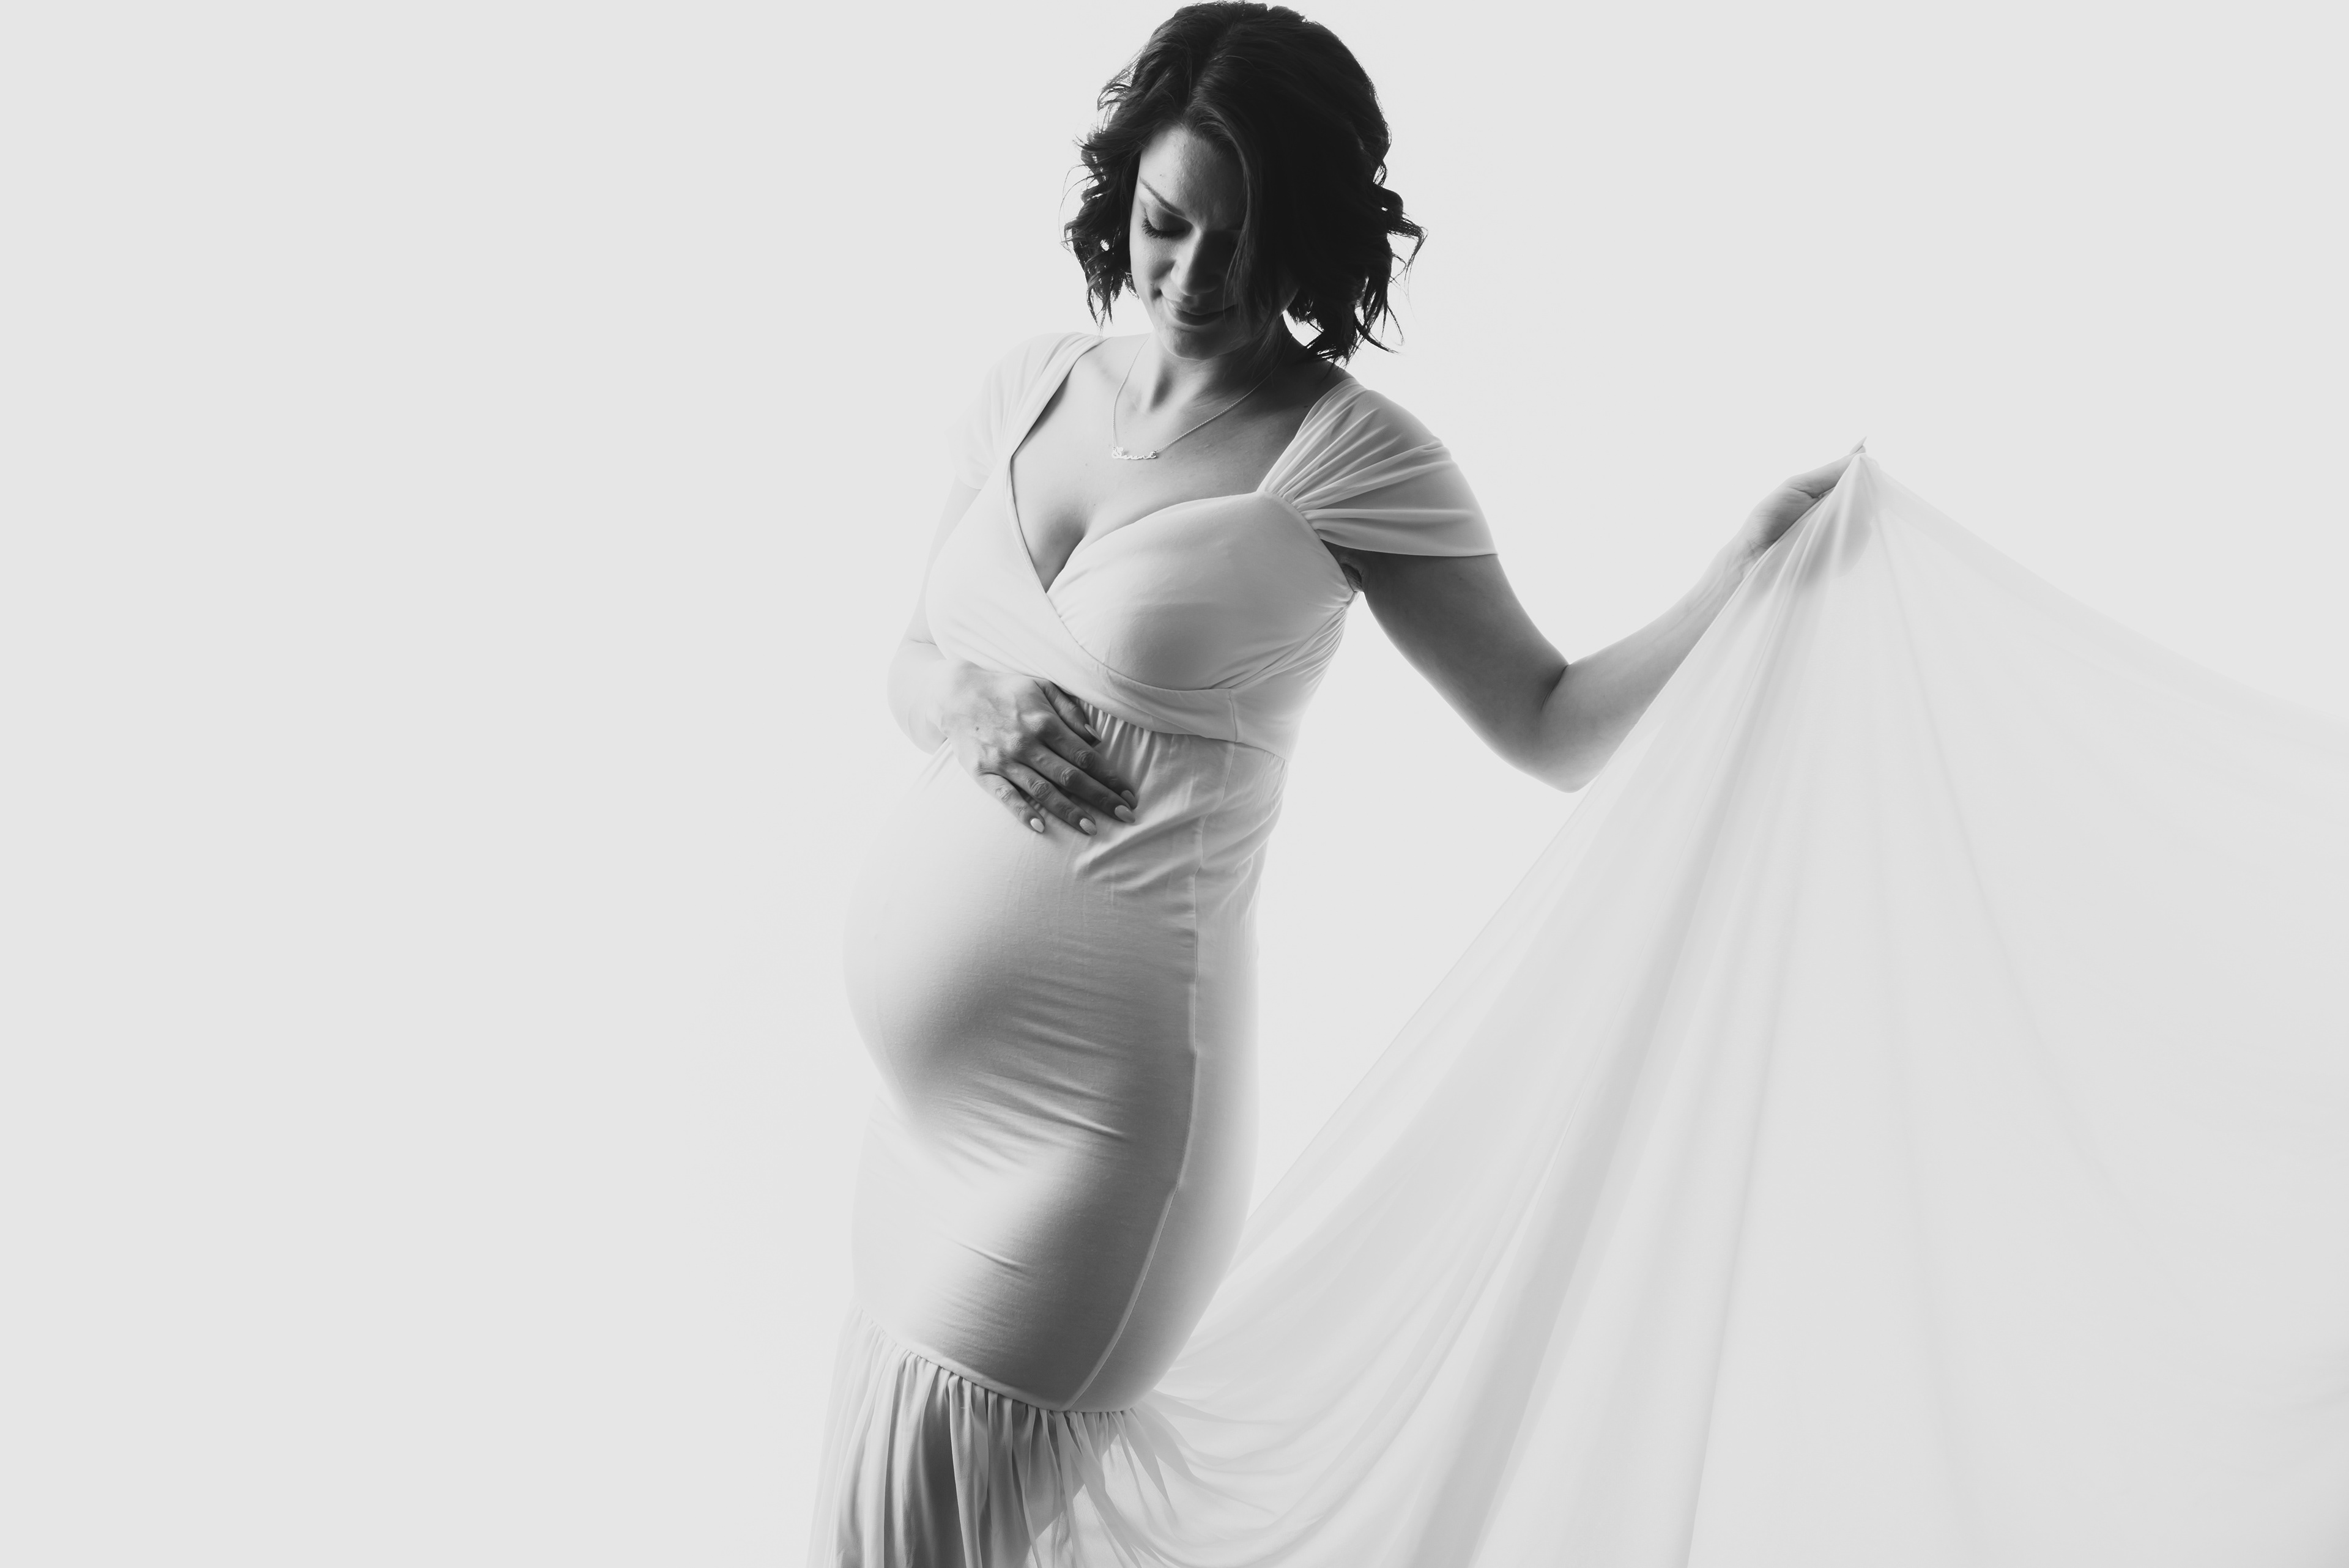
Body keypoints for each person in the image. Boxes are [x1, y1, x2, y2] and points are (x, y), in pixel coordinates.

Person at [816, 5, 1849, 1562]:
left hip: (1090, 1142)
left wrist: (1736, 581)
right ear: (1120, 195)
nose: (1191, 274)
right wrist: (959, 699)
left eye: (1240, 240)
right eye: (1165, 224)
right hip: (916, 1134)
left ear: (1311, 238)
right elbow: (913, 658)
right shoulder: (1028, 385)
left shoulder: (1350, 458)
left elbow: (1550, 722)